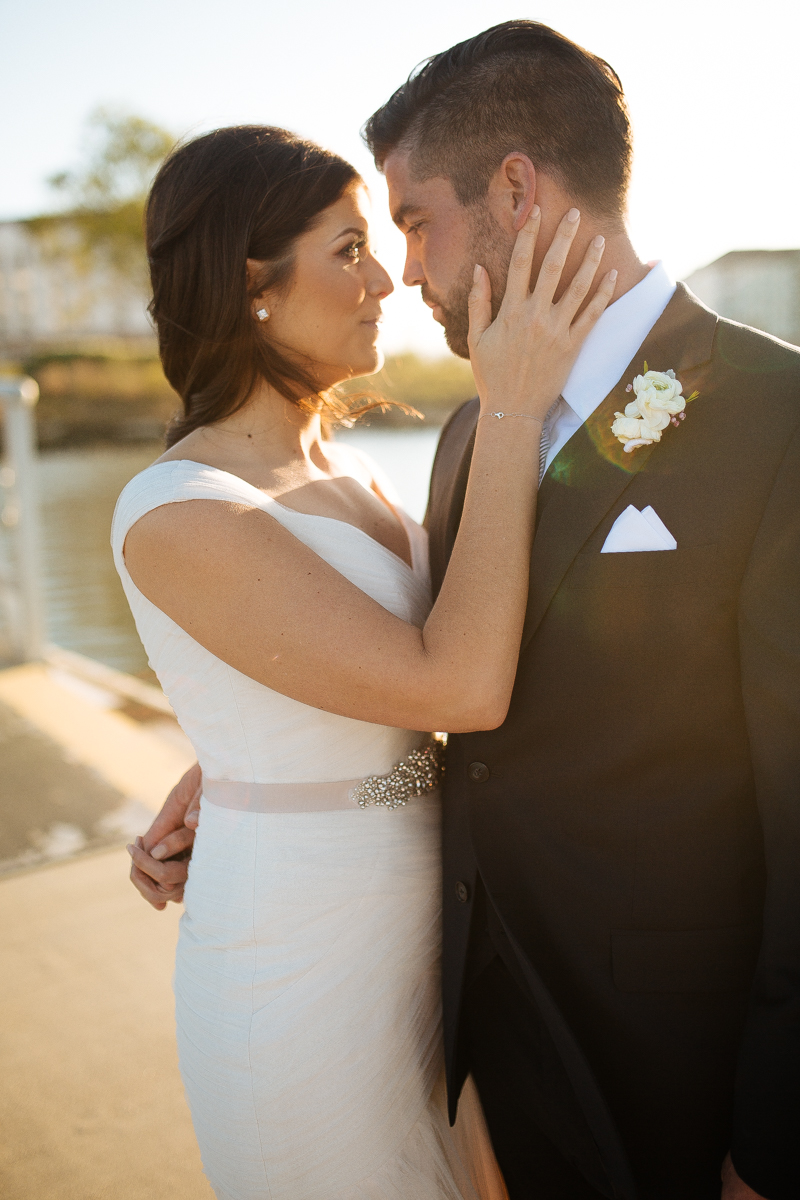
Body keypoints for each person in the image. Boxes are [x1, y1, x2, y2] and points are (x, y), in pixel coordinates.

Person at [135, 22, 800, 1200]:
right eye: (371, 239)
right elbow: (417, 673)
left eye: (410, 222)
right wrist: (233, 766)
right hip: (472, 1031)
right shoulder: (459, 438)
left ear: (514, 189)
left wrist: (776, 1137)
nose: (407, 271)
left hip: (683, 1064)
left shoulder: (773, 414)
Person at [118, 122, 615, 1199]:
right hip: (299, 966)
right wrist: (513, 401)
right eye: (348, 249)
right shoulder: (178, 510)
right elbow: (456, 686)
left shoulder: (353, 474)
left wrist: (233, 767)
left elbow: (382, 710)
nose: (387, 278)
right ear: (252, 285)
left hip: (428, 946)